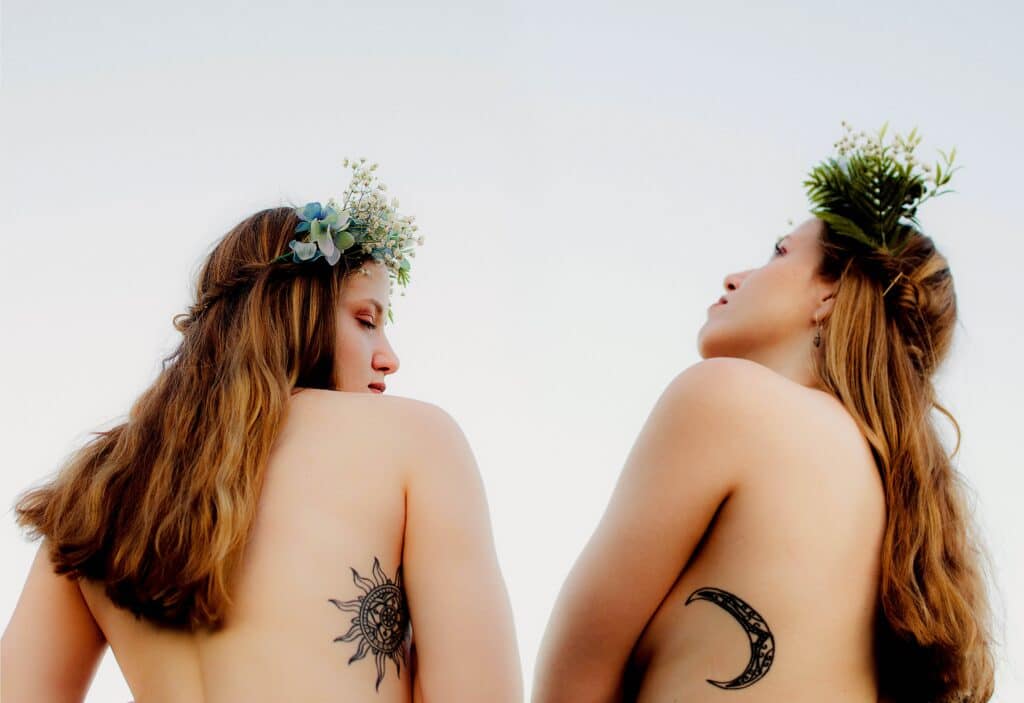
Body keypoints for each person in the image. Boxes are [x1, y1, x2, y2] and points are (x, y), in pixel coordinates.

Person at [2, 160, 522, 702]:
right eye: (366, 320)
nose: (388, 358)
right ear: (295, 306)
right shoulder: (415, 439)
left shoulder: (95, 490)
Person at [532, 123, 995, 703]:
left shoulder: (729, 399)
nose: (735, 277)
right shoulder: (903, 492)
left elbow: (571, 677)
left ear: (829, 295)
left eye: (779, 252)